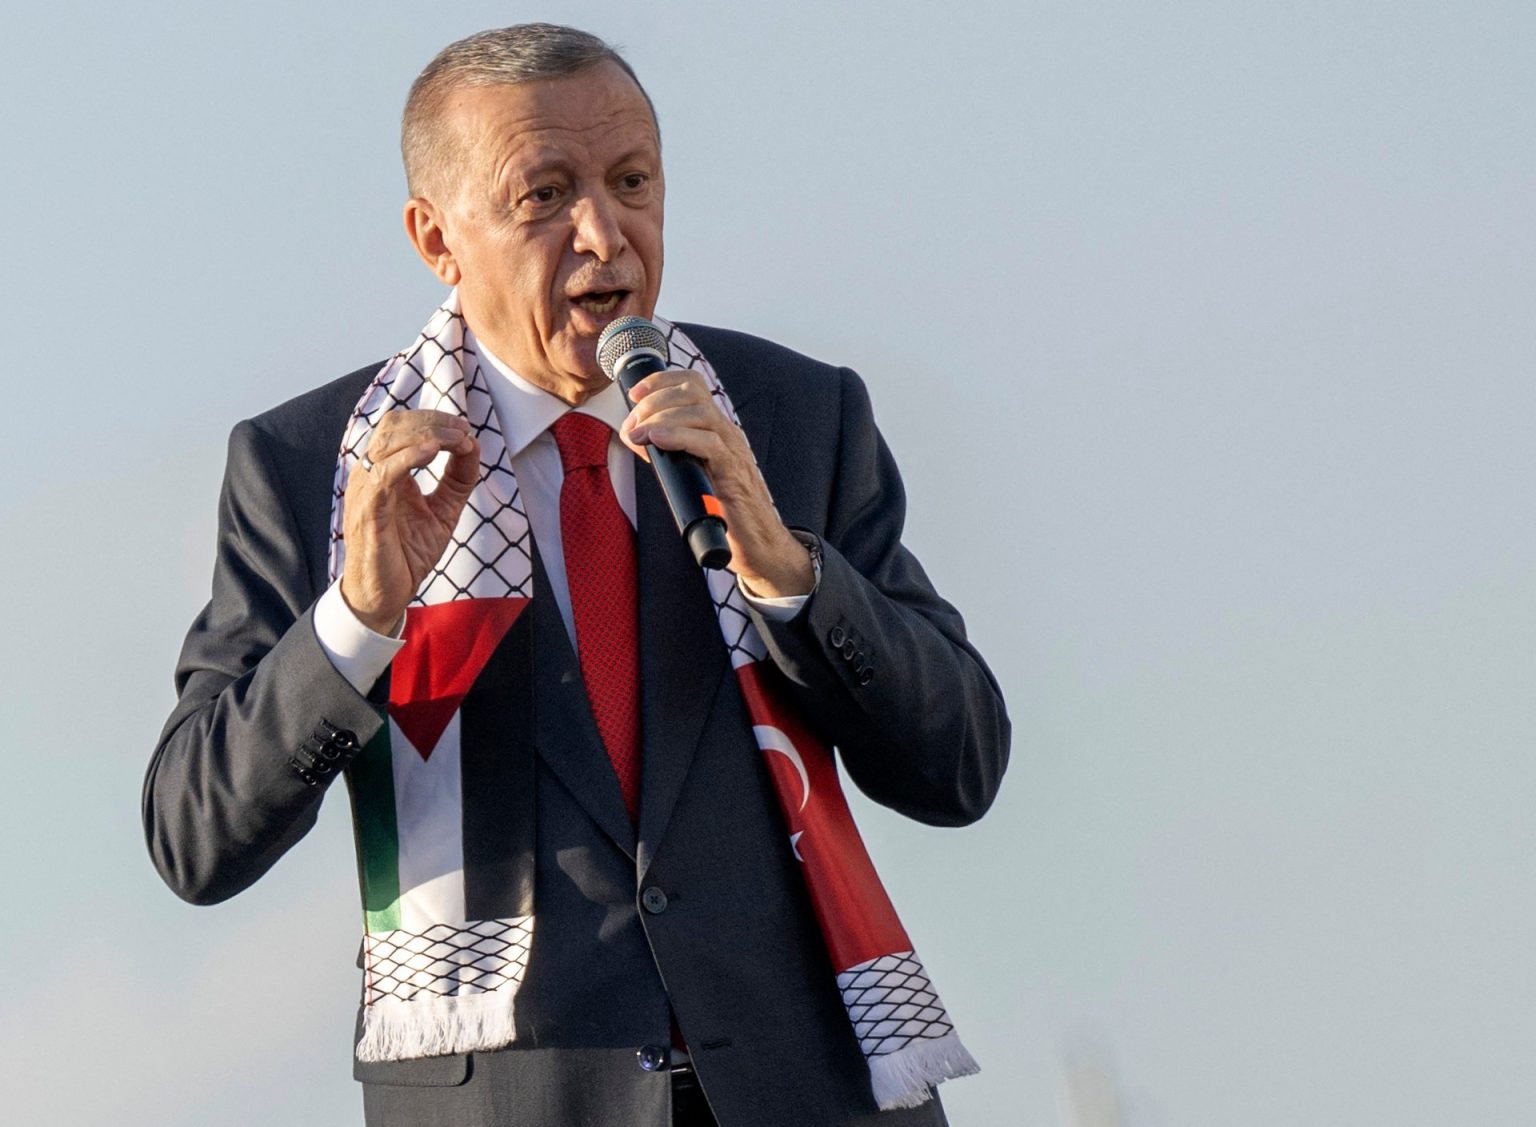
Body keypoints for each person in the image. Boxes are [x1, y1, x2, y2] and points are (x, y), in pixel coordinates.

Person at [143, 23, 1009, 1127]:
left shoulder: (791, 415)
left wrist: (788, 570)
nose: (605, 233)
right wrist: (358, 619)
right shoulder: (315, 462)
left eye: (632, 181)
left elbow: (961, 766)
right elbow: (195, 835)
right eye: (545, 195)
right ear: (437, 238)